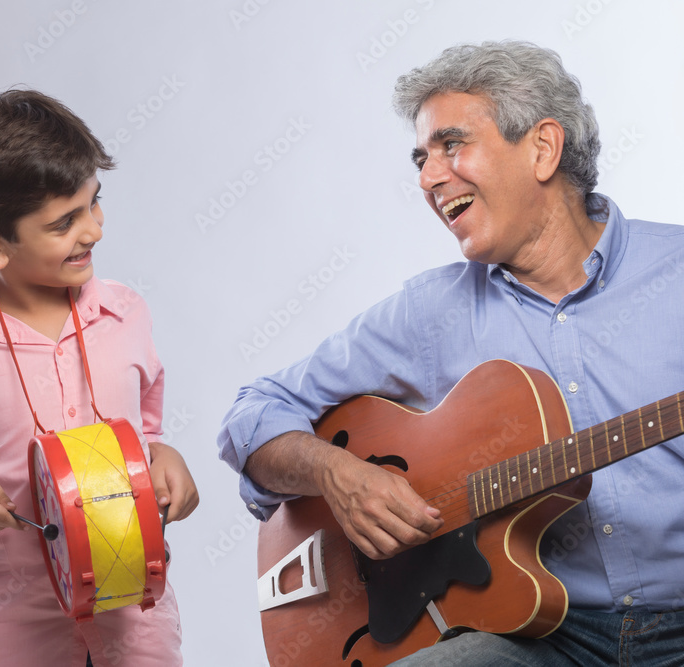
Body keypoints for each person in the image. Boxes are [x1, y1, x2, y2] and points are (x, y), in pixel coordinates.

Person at [218, 41, 684, 665]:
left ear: (542, 148)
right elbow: (253, 413)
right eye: (422, 157)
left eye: (452, 145)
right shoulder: (429, 312)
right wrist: (340, 474)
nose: (427, 177)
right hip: (536, 638)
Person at [0, 87, 198, 667]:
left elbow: (144, 436)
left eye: (94, 204)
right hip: (8, 622)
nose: (94, 230)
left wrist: (165, 459)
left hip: (132, 612)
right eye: (64, 222)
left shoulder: (126, 314)